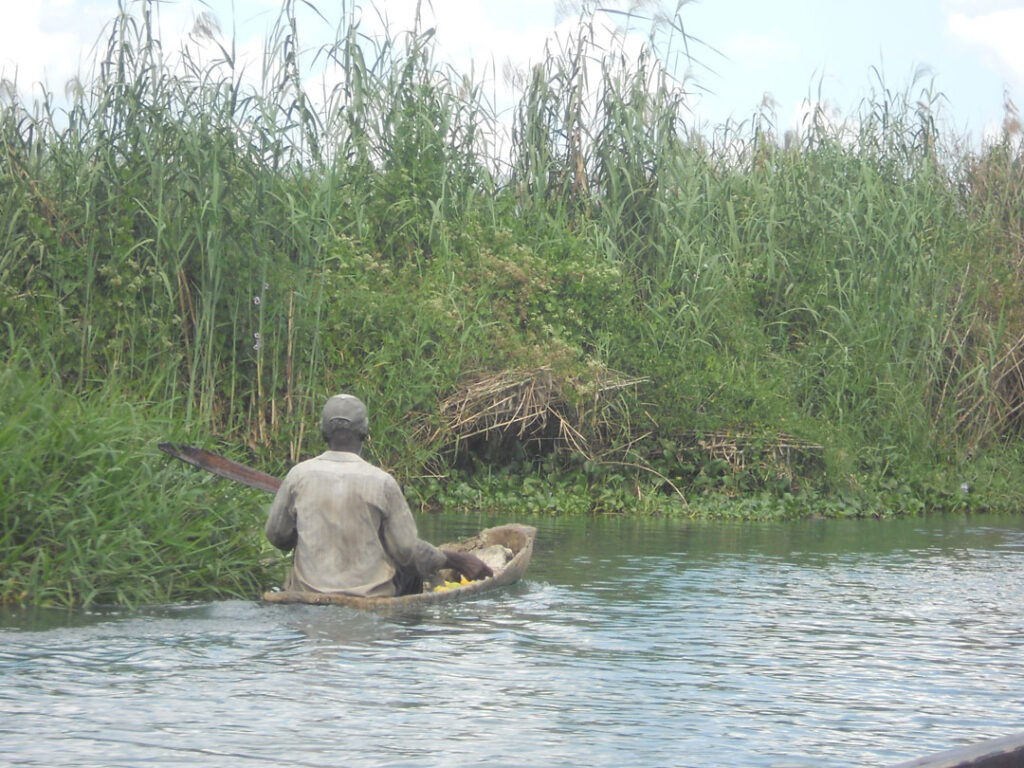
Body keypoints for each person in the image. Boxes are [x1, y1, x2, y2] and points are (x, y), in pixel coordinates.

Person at [265, 394, 493, 596]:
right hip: (368, 600)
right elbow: (407, 552)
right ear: (364, 430)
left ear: (323, 430)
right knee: (411, 569)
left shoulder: (298, 476)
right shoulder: (382, 482)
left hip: (307, 596)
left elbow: (277, 536)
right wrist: (457, 560)